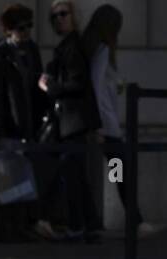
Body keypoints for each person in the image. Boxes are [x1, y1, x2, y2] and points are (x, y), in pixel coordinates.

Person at [84, 4, 161, 237]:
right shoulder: (103, 50)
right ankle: (135, 222)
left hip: (107, 125)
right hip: (107, 126)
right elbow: (96, 87)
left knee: (118, 171)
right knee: (121, 171)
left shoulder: (96, 49)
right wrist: (99, 124)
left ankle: (129, 221)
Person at [36, 1, 100, 241]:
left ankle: (77, 225)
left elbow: (77, 83)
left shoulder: (73, 46)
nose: (59, 19)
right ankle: (89, 224)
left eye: (63, 14)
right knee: (76, 174)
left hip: (74, 121)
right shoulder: (67, 46)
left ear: (74, 16)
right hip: (72, 122)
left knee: (72, 174)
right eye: (54, 17)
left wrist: (49, 87)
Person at [0, 4, 46, 241]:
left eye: (29, 26)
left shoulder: (31, 50)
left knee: (25, 177)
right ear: (8, 30)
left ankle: (23, 225)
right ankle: (6, 228)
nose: (26, 31)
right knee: (7, 178)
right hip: (9, 125)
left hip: (29, 123)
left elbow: (35, 86)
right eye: (21, 28)